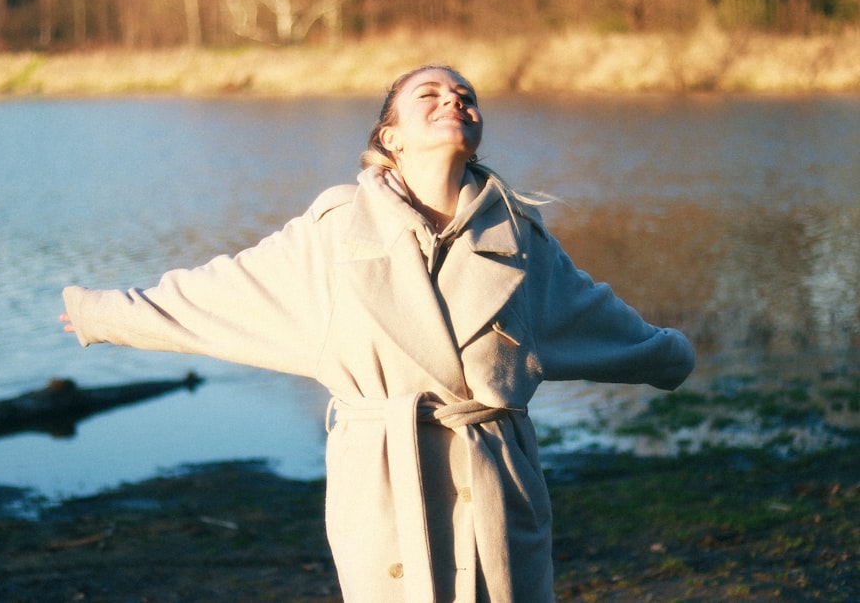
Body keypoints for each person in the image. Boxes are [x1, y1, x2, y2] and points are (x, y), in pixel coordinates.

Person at [60, 65, 695, 602]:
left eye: (466, 96)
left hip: (498, 487)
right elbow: (222, 294)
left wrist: (670, 357)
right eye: (432, 94)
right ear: (390, 136)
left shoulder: (519, 243)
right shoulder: (336, 233)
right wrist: (104, 315)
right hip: (386, 483)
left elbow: (599, 322)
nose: (455, 100)